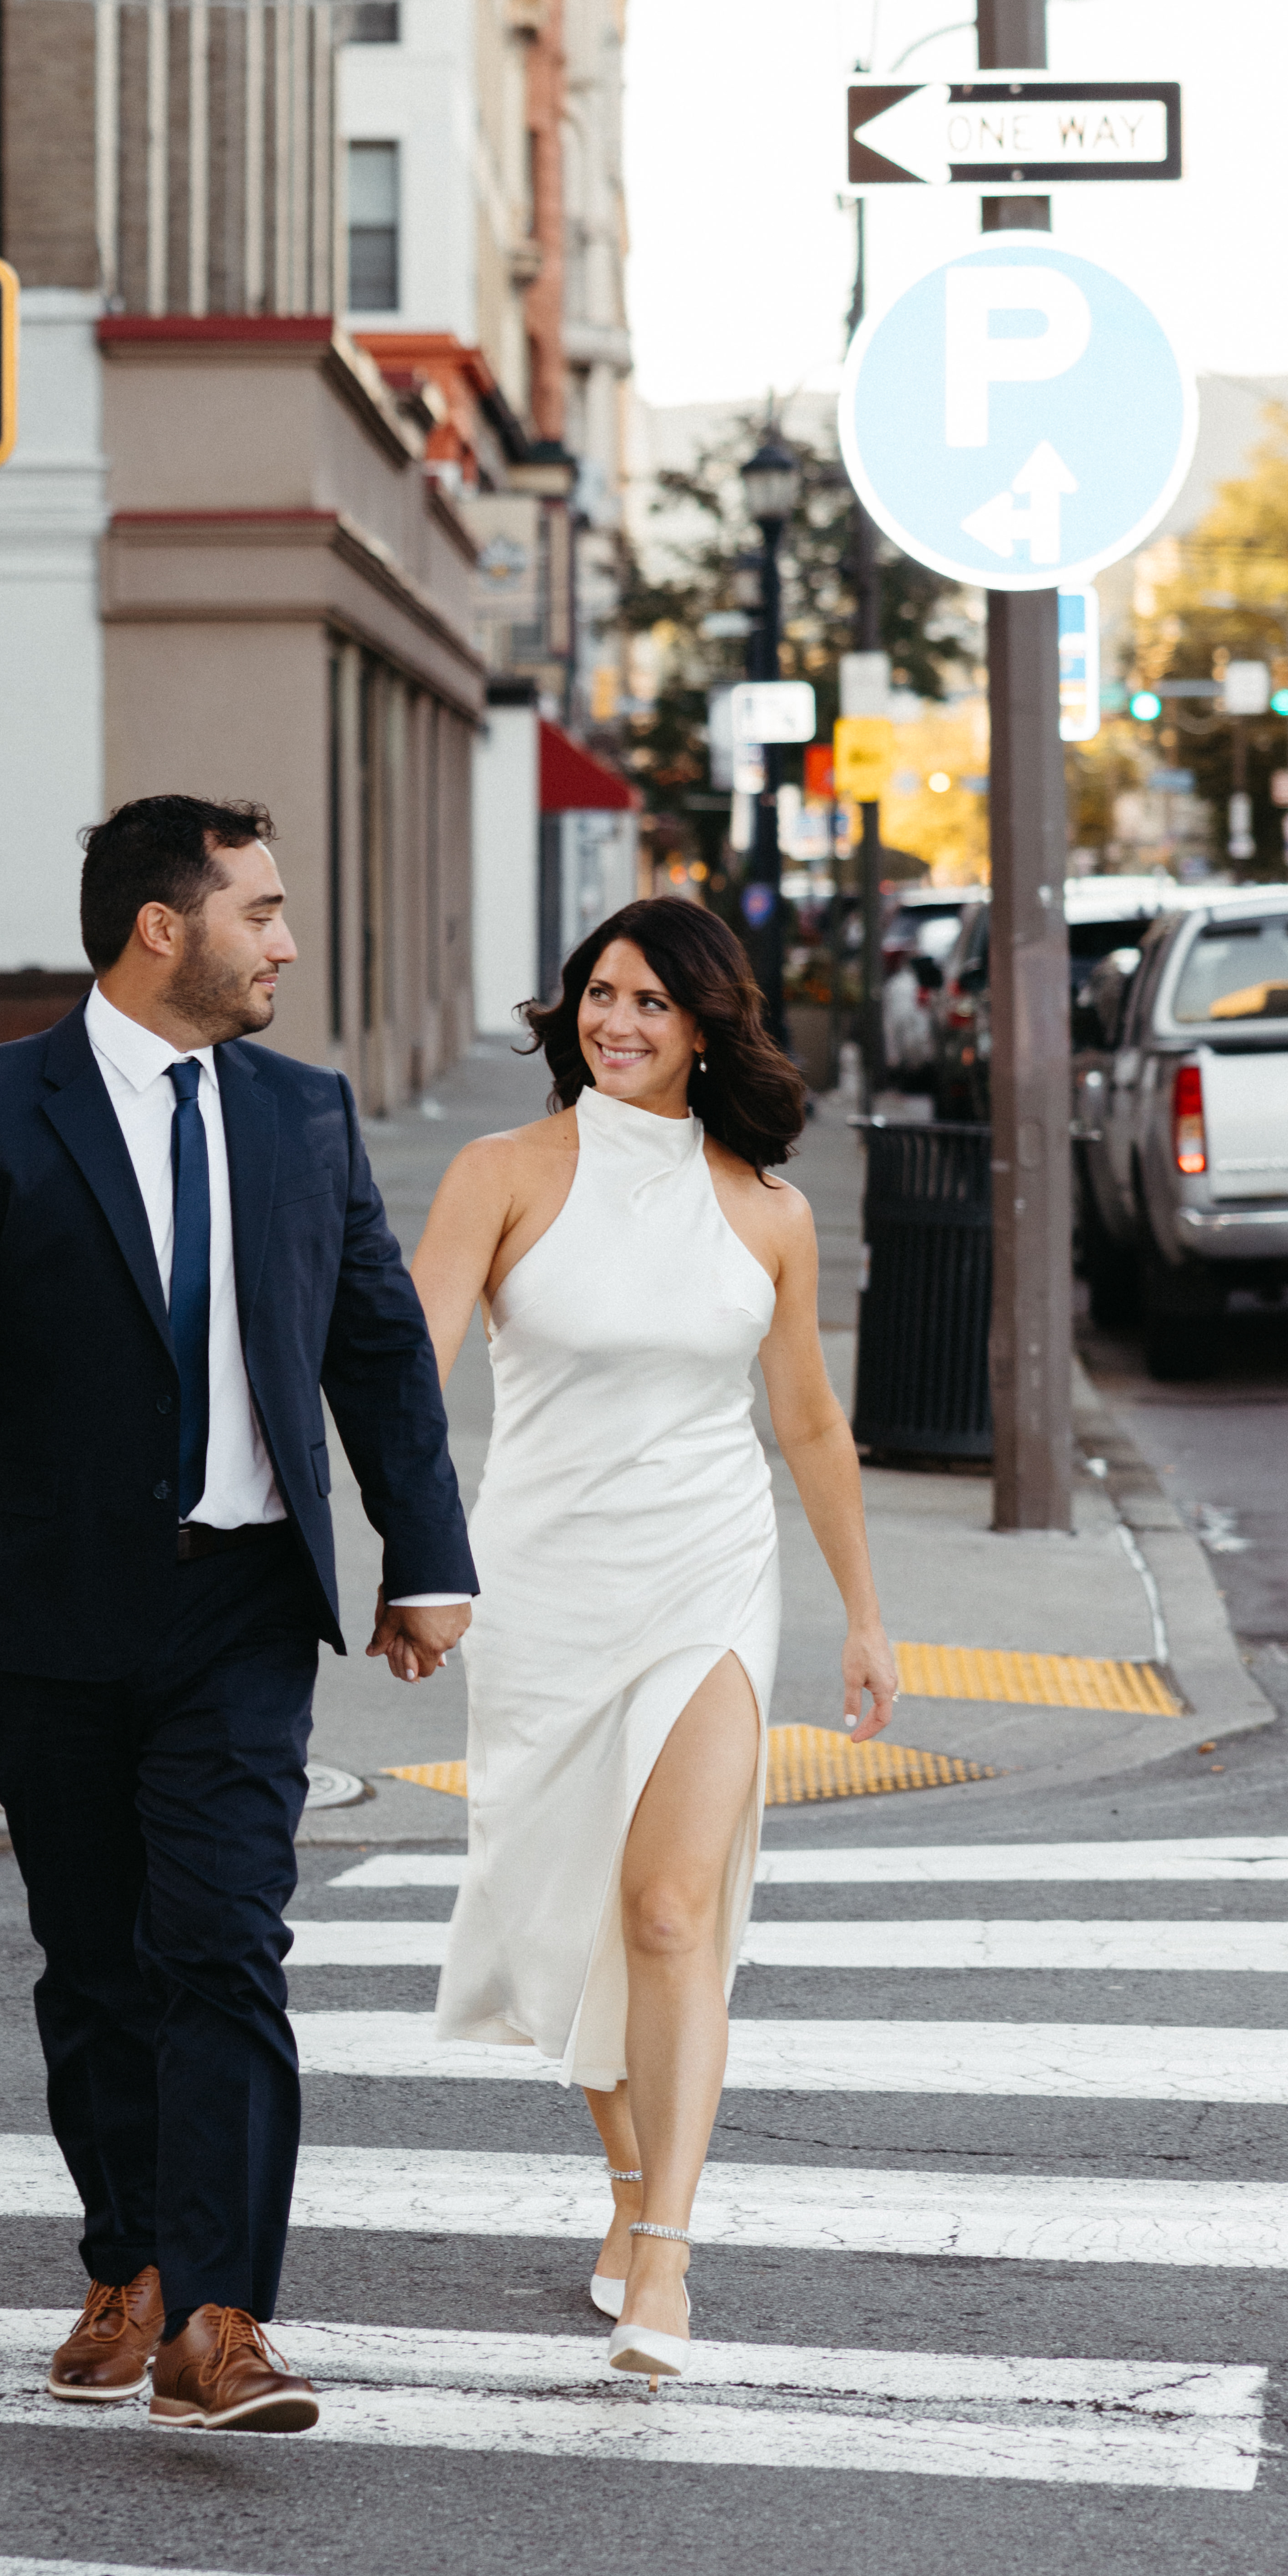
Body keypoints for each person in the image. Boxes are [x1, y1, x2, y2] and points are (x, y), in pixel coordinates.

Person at [0, 794, 475, 2433]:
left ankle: (218, 2320)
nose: (283, 941)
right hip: (48, 1615)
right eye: (259, 911)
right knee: (95, 1959)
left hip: (244, 1606)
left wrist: (427, 1553)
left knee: (222, 1948)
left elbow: (375, 1348)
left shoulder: (304, 1114)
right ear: (162, 927)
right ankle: (126, 2259)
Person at [406, 897, 897, 2382]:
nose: (617, 1024)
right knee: (564, 1918)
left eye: (651, 1006)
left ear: (704, 1031)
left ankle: (668, 2257)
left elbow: (807, 1419)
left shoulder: (767, 1211)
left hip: (706, 1577)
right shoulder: (500, 1174)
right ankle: (626, 2188)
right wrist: (406, 1562)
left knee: (675, 1911)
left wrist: (866, 1618)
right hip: (544, 1586)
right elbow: (404, 1377)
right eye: (599, 996)